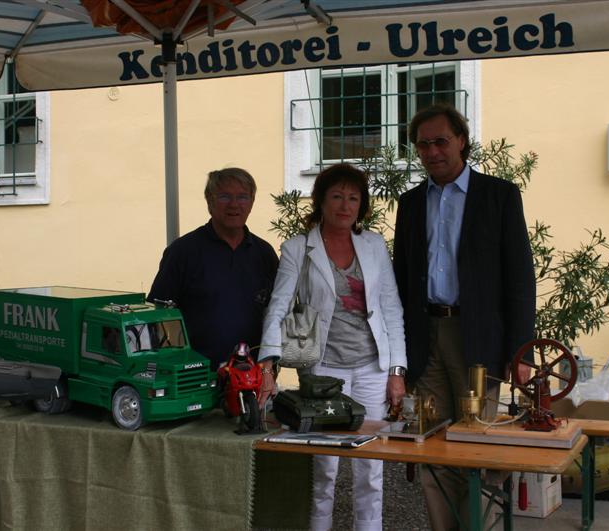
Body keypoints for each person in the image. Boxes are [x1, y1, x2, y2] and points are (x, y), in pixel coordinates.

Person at [393, 104, 536, 531]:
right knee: (433, 447)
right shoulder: (411, 203)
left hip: (477, 338)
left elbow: (519, 278)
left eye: (441, 141)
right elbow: (401, 278)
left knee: (479, 444)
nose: (432, 151)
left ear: (461, 141)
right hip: (425, 336)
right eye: (423, 143)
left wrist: (521, 351)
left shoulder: (499, 195)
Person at [259, 163, 407, 531]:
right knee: (323, 469)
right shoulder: (298, 248)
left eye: (354, 198)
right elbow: (279, 304)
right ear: (321, 201)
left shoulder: (373, 245)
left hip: (373, 366)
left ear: (362, 206)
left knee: (371, 468)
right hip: (323, 368)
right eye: (337, 196)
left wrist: (397, 371)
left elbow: (390, 308)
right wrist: (267, 364)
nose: (345, 205)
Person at [148, 167, 278, 368]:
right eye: (225, 197)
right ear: (209, 201)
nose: (234, 205)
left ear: (252, 202)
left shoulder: (264, 254)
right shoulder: (183, 252)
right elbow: (158, 315)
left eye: (242, 197)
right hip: (196, 376)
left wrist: (270, 369)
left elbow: (276, 313)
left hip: (251, 377)